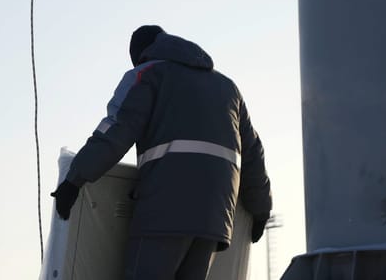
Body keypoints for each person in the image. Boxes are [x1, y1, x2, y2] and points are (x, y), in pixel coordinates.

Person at [51, 25, 272, 280]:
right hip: (214, 218)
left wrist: (74, 179)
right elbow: (253, 153)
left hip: (165, 210)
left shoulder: (148, 74)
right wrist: (261, 208)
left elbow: (116, 131)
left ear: (142, 55)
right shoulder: (228, 88)